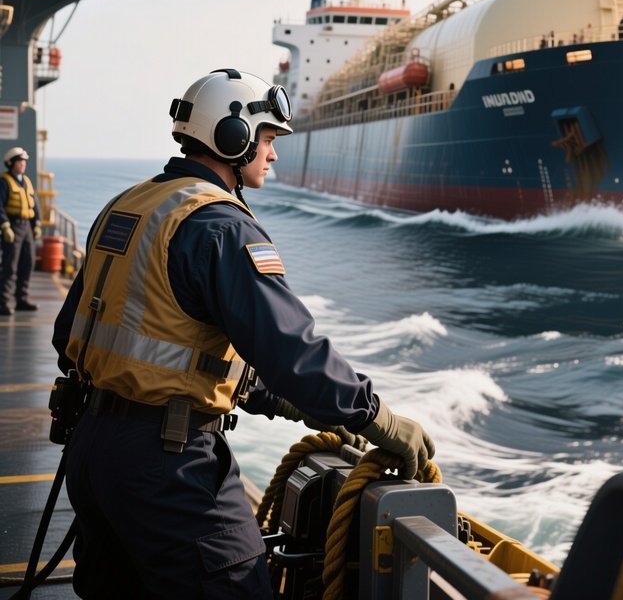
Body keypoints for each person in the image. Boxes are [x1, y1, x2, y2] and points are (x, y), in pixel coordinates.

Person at [51, 69, 435, 599]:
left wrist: (280, 401)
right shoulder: (220, 226)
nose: (273, 153)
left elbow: (73, 333)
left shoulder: (129, 205)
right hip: (169, 465)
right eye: (269, 138)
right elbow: (291, 348)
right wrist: (377, 418)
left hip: (93, 450)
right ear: (233, 137)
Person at [0, 146, 41, 315]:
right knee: (10, 265)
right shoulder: (4, 182)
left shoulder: (26, 181)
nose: (23, 164)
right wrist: (5, 226)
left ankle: (21, 299)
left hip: (26, 228)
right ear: (11, 163)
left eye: (24, 161)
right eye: (19, 161)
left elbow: (35, 204)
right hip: (13, 226)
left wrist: (37, 223)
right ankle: (2, 302)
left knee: (28, 262)